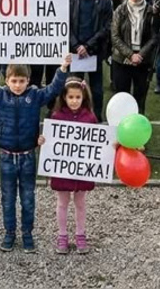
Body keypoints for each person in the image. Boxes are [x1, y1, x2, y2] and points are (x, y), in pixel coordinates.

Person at [0, 52, 69, 253]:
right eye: (13, 80)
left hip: (28, 156)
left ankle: (27, 233)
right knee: (8, 197)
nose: (17, 85)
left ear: (28, 80)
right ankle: (9, 233)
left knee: (28, 198)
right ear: (7, 80)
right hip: (6, 156)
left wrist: (63, 68)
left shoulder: (35, 96)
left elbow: (54, 89)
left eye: (21, 81)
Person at [46, 77, 97, 254]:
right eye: (71, 97)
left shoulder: (90, 118)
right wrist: (43, 141)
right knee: (62, 202)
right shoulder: (57, 117)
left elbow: (97, 143)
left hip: (82, 169)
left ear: (83, 98)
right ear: (64, 98)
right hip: (62, 169)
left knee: (81, 202)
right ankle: (62, 235)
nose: (74, 101)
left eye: (78, 97)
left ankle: (80, 235)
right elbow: (51, 143)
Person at [69, 0, 113, 121]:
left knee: (96, 90)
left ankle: (97, 119)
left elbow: (107, 27)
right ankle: (77, 119)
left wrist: (87, 46)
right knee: (75, 88)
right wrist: (76, 46)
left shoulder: (105, 0)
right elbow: (66, 25)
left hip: (94, 51)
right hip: (75, 52)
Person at [110, 0, 158, 116]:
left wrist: (140, 55)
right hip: (122, 60)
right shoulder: (120, 10)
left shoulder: (151, 11)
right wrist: (130, 55)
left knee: (140, 97)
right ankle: (121, 130)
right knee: (122, 97)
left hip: (143, 61)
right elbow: (114, 36)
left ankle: (138, 131)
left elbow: (154, 37)